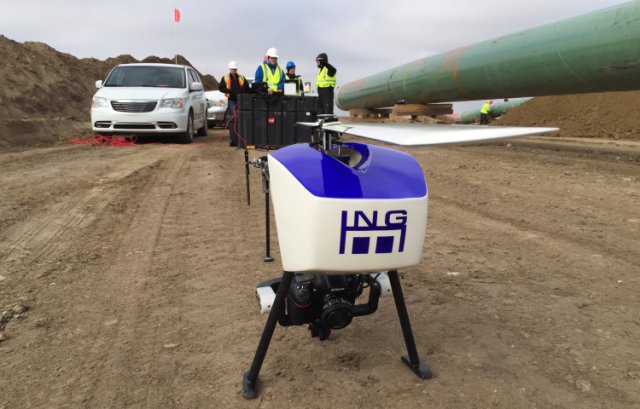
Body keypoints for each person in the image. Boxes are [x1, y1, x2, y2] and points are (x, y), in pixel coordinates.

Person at [218, 60, 250, 146]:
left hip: (241, 100)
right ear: (230, 69)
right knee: (234, 118)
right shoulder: (225, 78)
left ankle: (241, 138)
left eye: (235, 69)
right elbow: (220, 87)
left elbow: (247, 87)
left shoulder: (241, 77)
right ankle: (234, 139)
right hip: (232, 100)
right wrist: (229, 91)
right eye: (233, 69)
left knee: (241, 117)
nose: (234, 71)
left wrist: (242, 92)